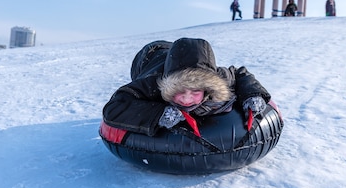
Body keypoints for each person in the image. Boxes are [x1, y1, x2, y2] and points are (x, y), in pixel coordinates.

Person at [102, 38, 271, 137]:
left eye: (195, 91)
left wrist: (253, 95)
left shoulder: (217, 78)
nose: (187, 98)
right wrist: (157, 113)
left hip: (177, 55)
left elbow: (240, 74)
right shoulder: (154, 82)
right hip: (148, 57)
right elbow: (116, 106)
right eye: (179, 91)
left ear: (207, 88)